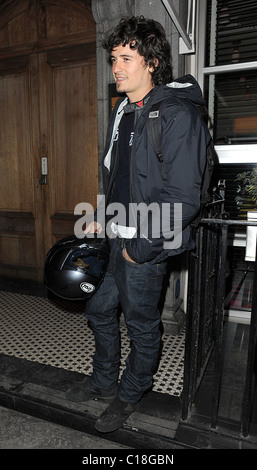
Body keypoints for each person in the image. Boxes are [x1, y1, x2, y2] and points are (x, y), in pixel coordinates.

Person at [66, 15, 210, 433]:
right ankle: (103, 378)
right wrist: (101, 217)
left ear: (151, 61)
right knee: (98, 309)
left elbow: (184, 198)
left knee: (142, 326)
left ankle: (129, 393)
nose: (116, 68)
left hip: (145, 244)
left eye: (126, 58)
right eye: (113, 58)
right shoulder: (122, 111)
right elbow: (119, 177)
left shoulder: (177, 114)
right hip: (117, 235)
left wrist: (141, 247)